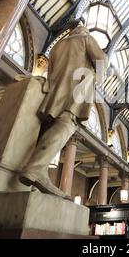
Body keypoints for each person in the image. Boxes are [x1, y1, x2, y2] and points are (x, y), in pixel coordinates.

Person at [19, 24, 107, 197]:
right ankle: (35, 168)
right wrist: (97, 76)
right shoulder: (86, 39)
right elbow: (102, 60)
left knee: (47, 130)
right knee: (67, 123)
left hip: (54, 93)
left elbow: (50, 71)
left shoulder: (57, 46)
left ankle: (37, 175)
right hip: (74, 91)